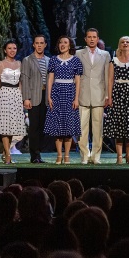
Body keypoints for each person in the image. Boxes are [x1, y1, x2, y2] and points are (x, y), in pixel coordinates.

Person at [103, 36, 129, 164]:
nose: (125, 43)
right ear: (119, 45)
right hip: (118, 95)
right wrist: (109, 97)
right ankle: (119, 156)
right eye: (122, 42)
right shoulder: (114, 61)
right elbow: (110, 80)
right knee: (119, 126)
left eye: (127, 42)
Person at [44, 35, 82, 164]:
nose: (62, 44)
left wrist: (76, 99)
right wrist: (49, 96)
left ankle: (67, 156)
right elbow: (50, 79)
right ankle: (59, 155)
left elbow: (78, 81)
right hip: (57, 93)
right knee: (57, 126)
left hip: (70, 93)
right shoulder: (53, 60)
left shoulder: (76, 61)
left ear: (70, 45)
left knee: (68, 126)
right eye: (60, 42)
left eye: (65, 42)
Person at [0, 40, 27, 164]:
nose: (12, 50)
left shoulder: (19, 63)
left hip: (16, 95)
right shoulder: (0, 64)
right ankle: (8, 155)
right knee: (5, 126)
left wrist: (22, 97)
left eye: (14, 48)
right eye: (9, 48)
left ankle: (6, 152)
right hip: (4, 94)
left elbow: (20, 82)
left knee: (12, 126)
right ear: (5, 50)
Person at [76, 28, 111, 165]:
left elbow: (107, 76)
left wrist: (107, 95)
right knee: (82, 128)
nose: (91, 39)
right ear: (85, 39)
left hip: (99, 94)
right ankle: (84, 155)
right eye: (89, 37)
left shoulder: (105, 54)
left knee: (98, 128)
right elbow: (76, 75)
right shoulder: (78, 53)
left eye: (94, 37)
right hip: (83, 94)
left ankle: (96, 156)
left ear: (97, 39)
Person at [21, 35, 50, 163]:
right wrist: (26, 98)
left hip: (45, 96)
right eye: (37, 43)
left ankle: (39, 153)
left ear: (45, 45)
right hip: (33, 96)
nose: (39, 45)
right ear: (33, 44)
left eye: (41, 43)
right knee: (34, 127)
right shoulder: (27, 60)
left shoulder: (49, 60)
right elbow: (25, 80)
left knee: (43, 126)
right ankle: (34, 156)